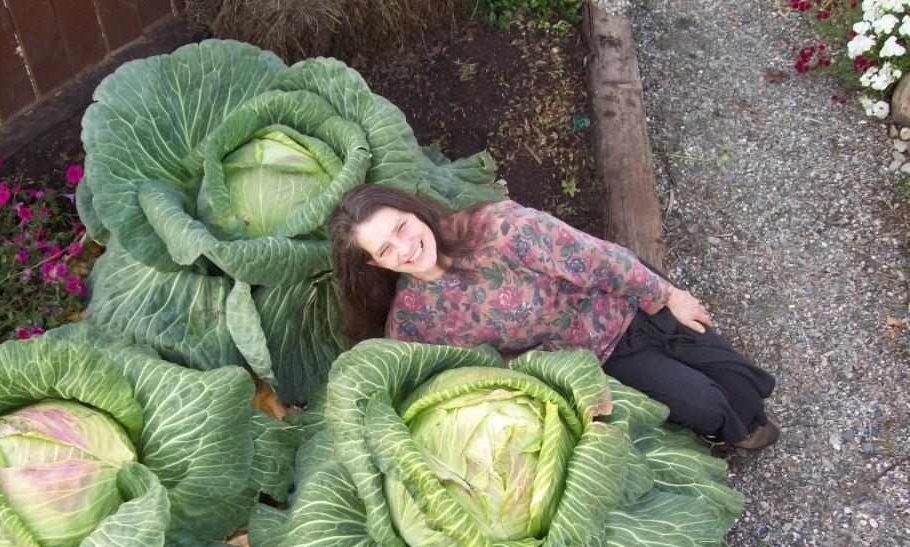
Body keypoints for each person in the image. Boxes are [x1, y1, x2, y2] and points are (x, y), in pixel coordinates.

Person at [328, 184, 779, 449]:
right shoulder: (413, 323)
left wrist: (667, 294)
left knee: (742, 384)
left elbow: (595, 258)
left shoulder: (496, 228)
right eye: (386, 249)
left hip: (624, 301)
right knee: (709, 404)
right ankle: (722, 429)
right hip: (600, 362)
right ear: (375, 264)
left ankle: (736, 412)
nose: (406, 247)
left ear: (413, 210)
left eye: (402, 227)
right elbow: (419, 391)